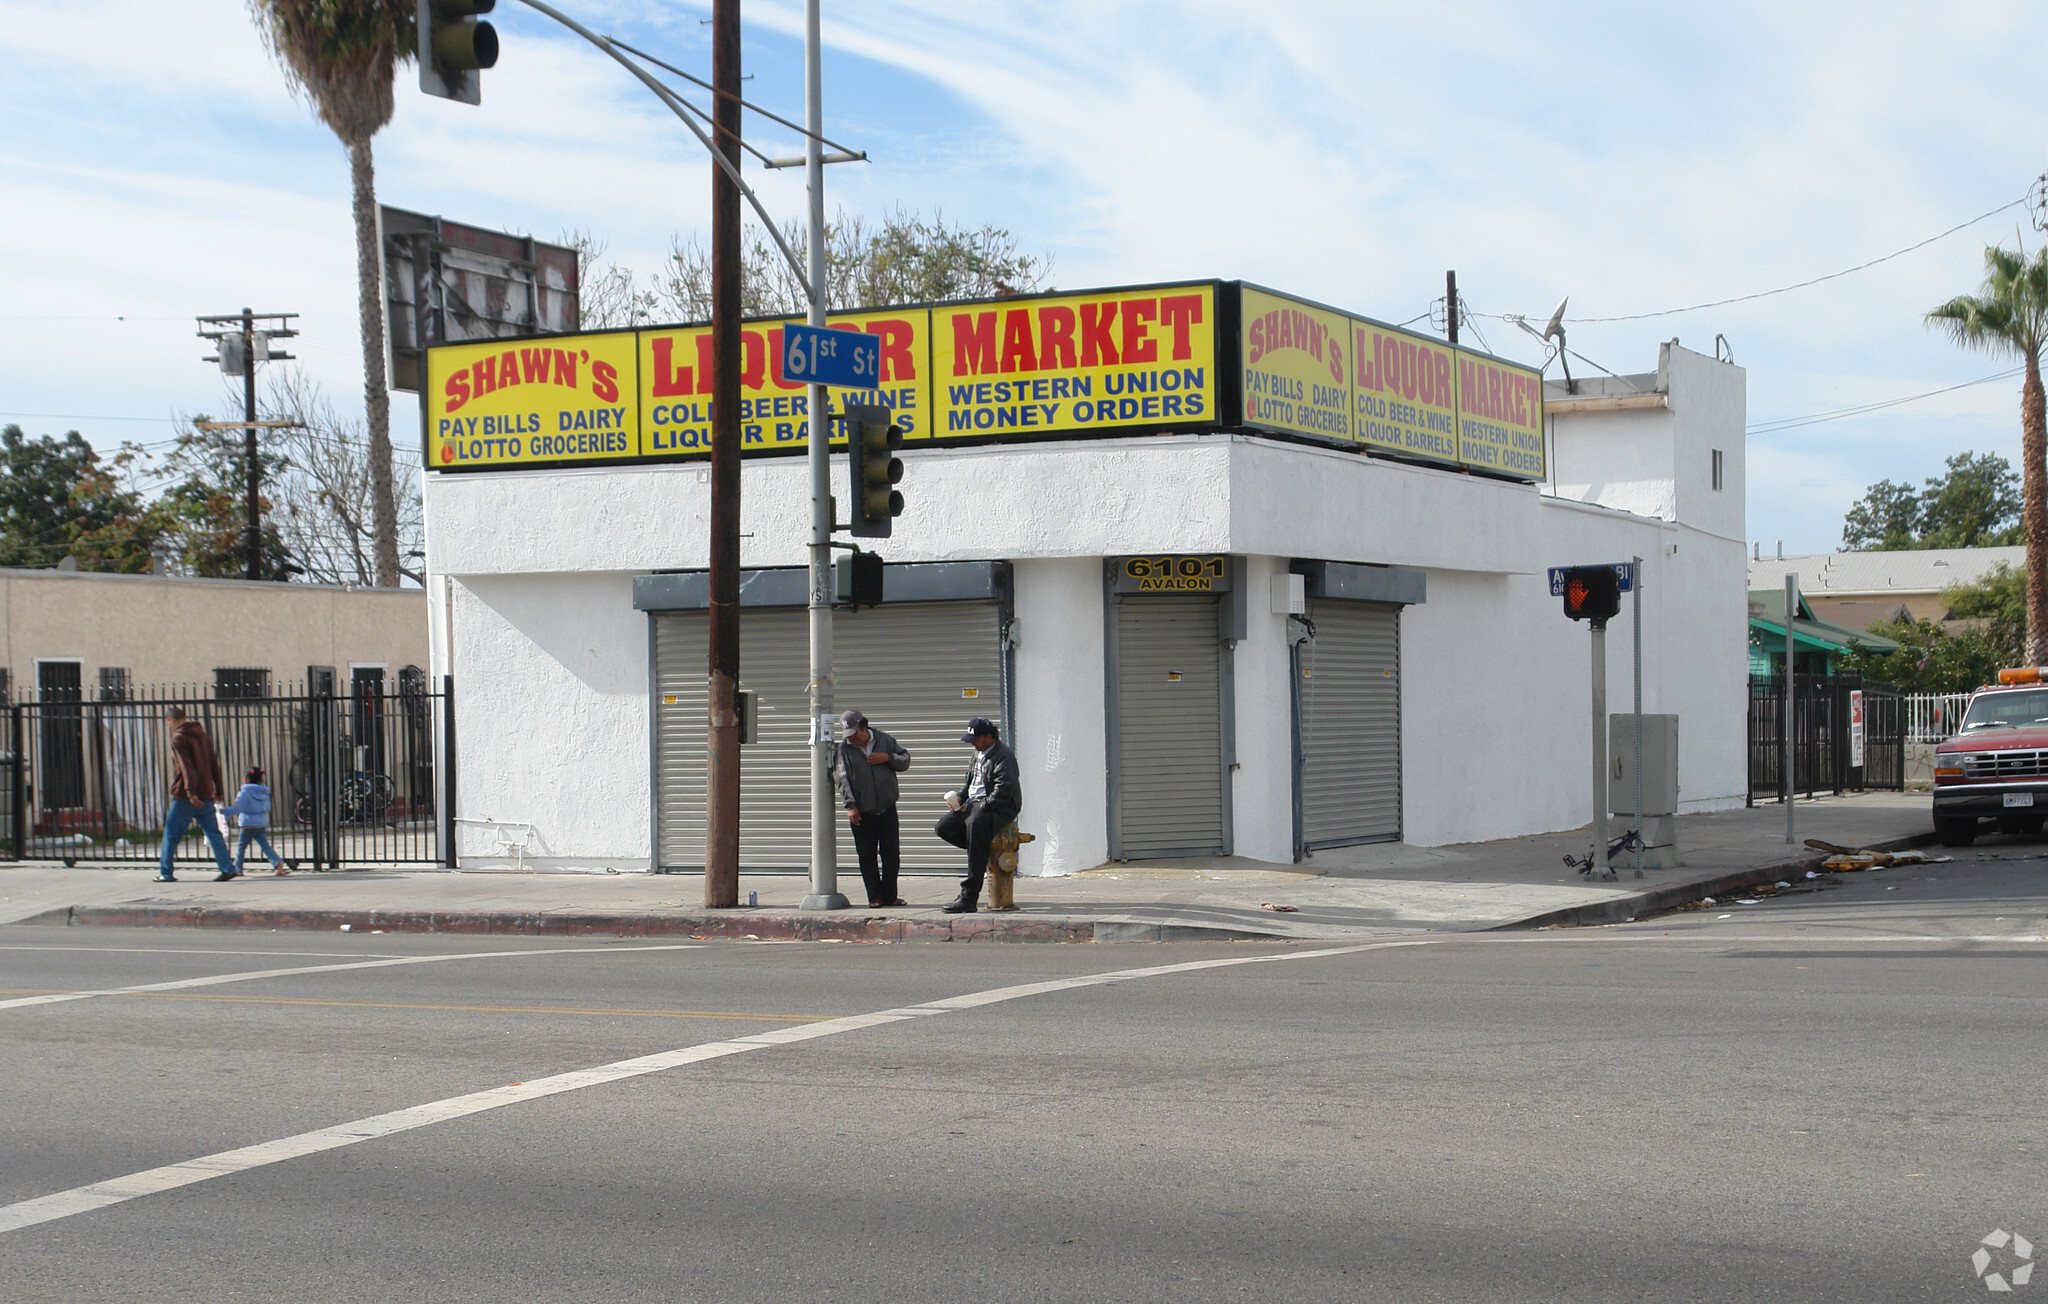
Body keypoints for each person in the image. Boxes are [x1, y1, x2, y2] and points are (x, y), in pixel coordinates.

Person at [934, 716, 1021, 914]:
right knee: (943, 827)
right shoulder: (978, 754)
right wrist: (960, 798)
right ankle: (979, 849)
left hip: (997, 808)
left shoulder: (1003, 756)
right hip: (975, 805)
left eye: (975, 739)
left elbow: (1005, 789)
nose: (972, 744)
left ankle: (968, 897)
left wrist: (983, 806)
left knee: (976, 823)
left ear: (989, 737)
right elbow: (970, 784)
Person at [831, 709, 913, 908]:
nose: (853, 739)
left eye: (855, 734)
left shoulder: (885, 740)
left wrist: (887, 758)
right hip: (862, 811)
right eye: (848, 735)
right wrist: (850, 806)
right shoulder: (844, 749)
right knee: (867, 855)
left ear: (864, 727)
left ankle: (890, 896)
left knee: (891, 853)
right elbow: (842, 778)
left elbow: (905, 760)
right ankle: (874, 896)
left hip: (887, 808)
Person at [156, 706, 238, 883]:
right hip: (206, 792)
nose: (168, 725)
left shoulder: (178, 737)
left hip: (185, 796)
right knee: (213, 832)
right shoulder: (202, 734)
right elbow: (213, 763)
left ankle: (166, 872)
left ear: (172, 720)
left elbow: (186, 767)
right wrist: (219, 790)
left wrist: (190, 792)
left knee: (171, 834)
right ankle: (227, 867)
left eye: (168, 722)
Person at [222, 766, 291, 877]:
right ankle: (277, 863)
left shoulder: (244, 793)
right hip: (261, 822)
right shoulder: (265, 792)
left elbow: (238, 808)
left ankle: (238, 869)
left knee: (241, 846)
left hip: (248, 824)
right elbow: (268, 807)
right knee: (265, 845)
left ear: (247, 779)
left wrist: (225, 811)